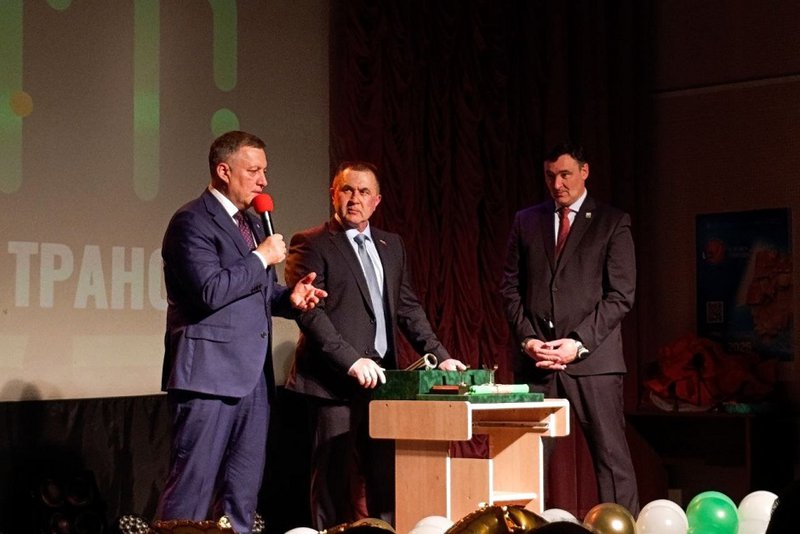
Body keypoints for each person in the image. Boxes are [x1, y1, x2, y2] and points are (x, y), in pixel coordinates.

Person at [156, 130, 326, 533]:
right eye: (253, 171)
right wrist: (261, 257)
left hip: (253, 381)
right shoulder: (191, 221)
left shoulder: (251, 223)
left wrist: (290, 298)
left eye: (265, 171)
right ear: (223, 171)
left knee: (242, 495)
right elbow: (209, 291)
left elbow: (258, 293)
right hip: (208, 378)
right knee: (191, 493)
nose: (263, 181)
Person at [284, 161, 467, 529]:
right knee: (333, 481)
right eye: (347, 190)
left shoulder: (391, 244)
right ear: (333, 194)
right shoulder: (311, 242)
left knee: (384, 476)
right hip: (332, 383)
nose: (355, 198)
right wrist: (351, 361)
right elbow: (310, 314)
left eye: (364, 192)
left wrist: (441, 356)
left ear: (377, 200)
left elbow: (407, 308)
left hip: (384, 383)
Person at [500, 142, 639, 516]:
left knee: (611, 460)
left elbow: (621, 295)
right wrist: (528, 339)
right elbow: (510, 288)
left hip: (593, 361)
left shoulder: (612, 222)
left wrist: (578, 343)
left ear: (584, 171)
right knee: (524, 460)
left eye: (565, 174)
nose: (557, 184)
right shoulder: (526, 221)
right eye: (550, 176)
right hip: (538, 361)